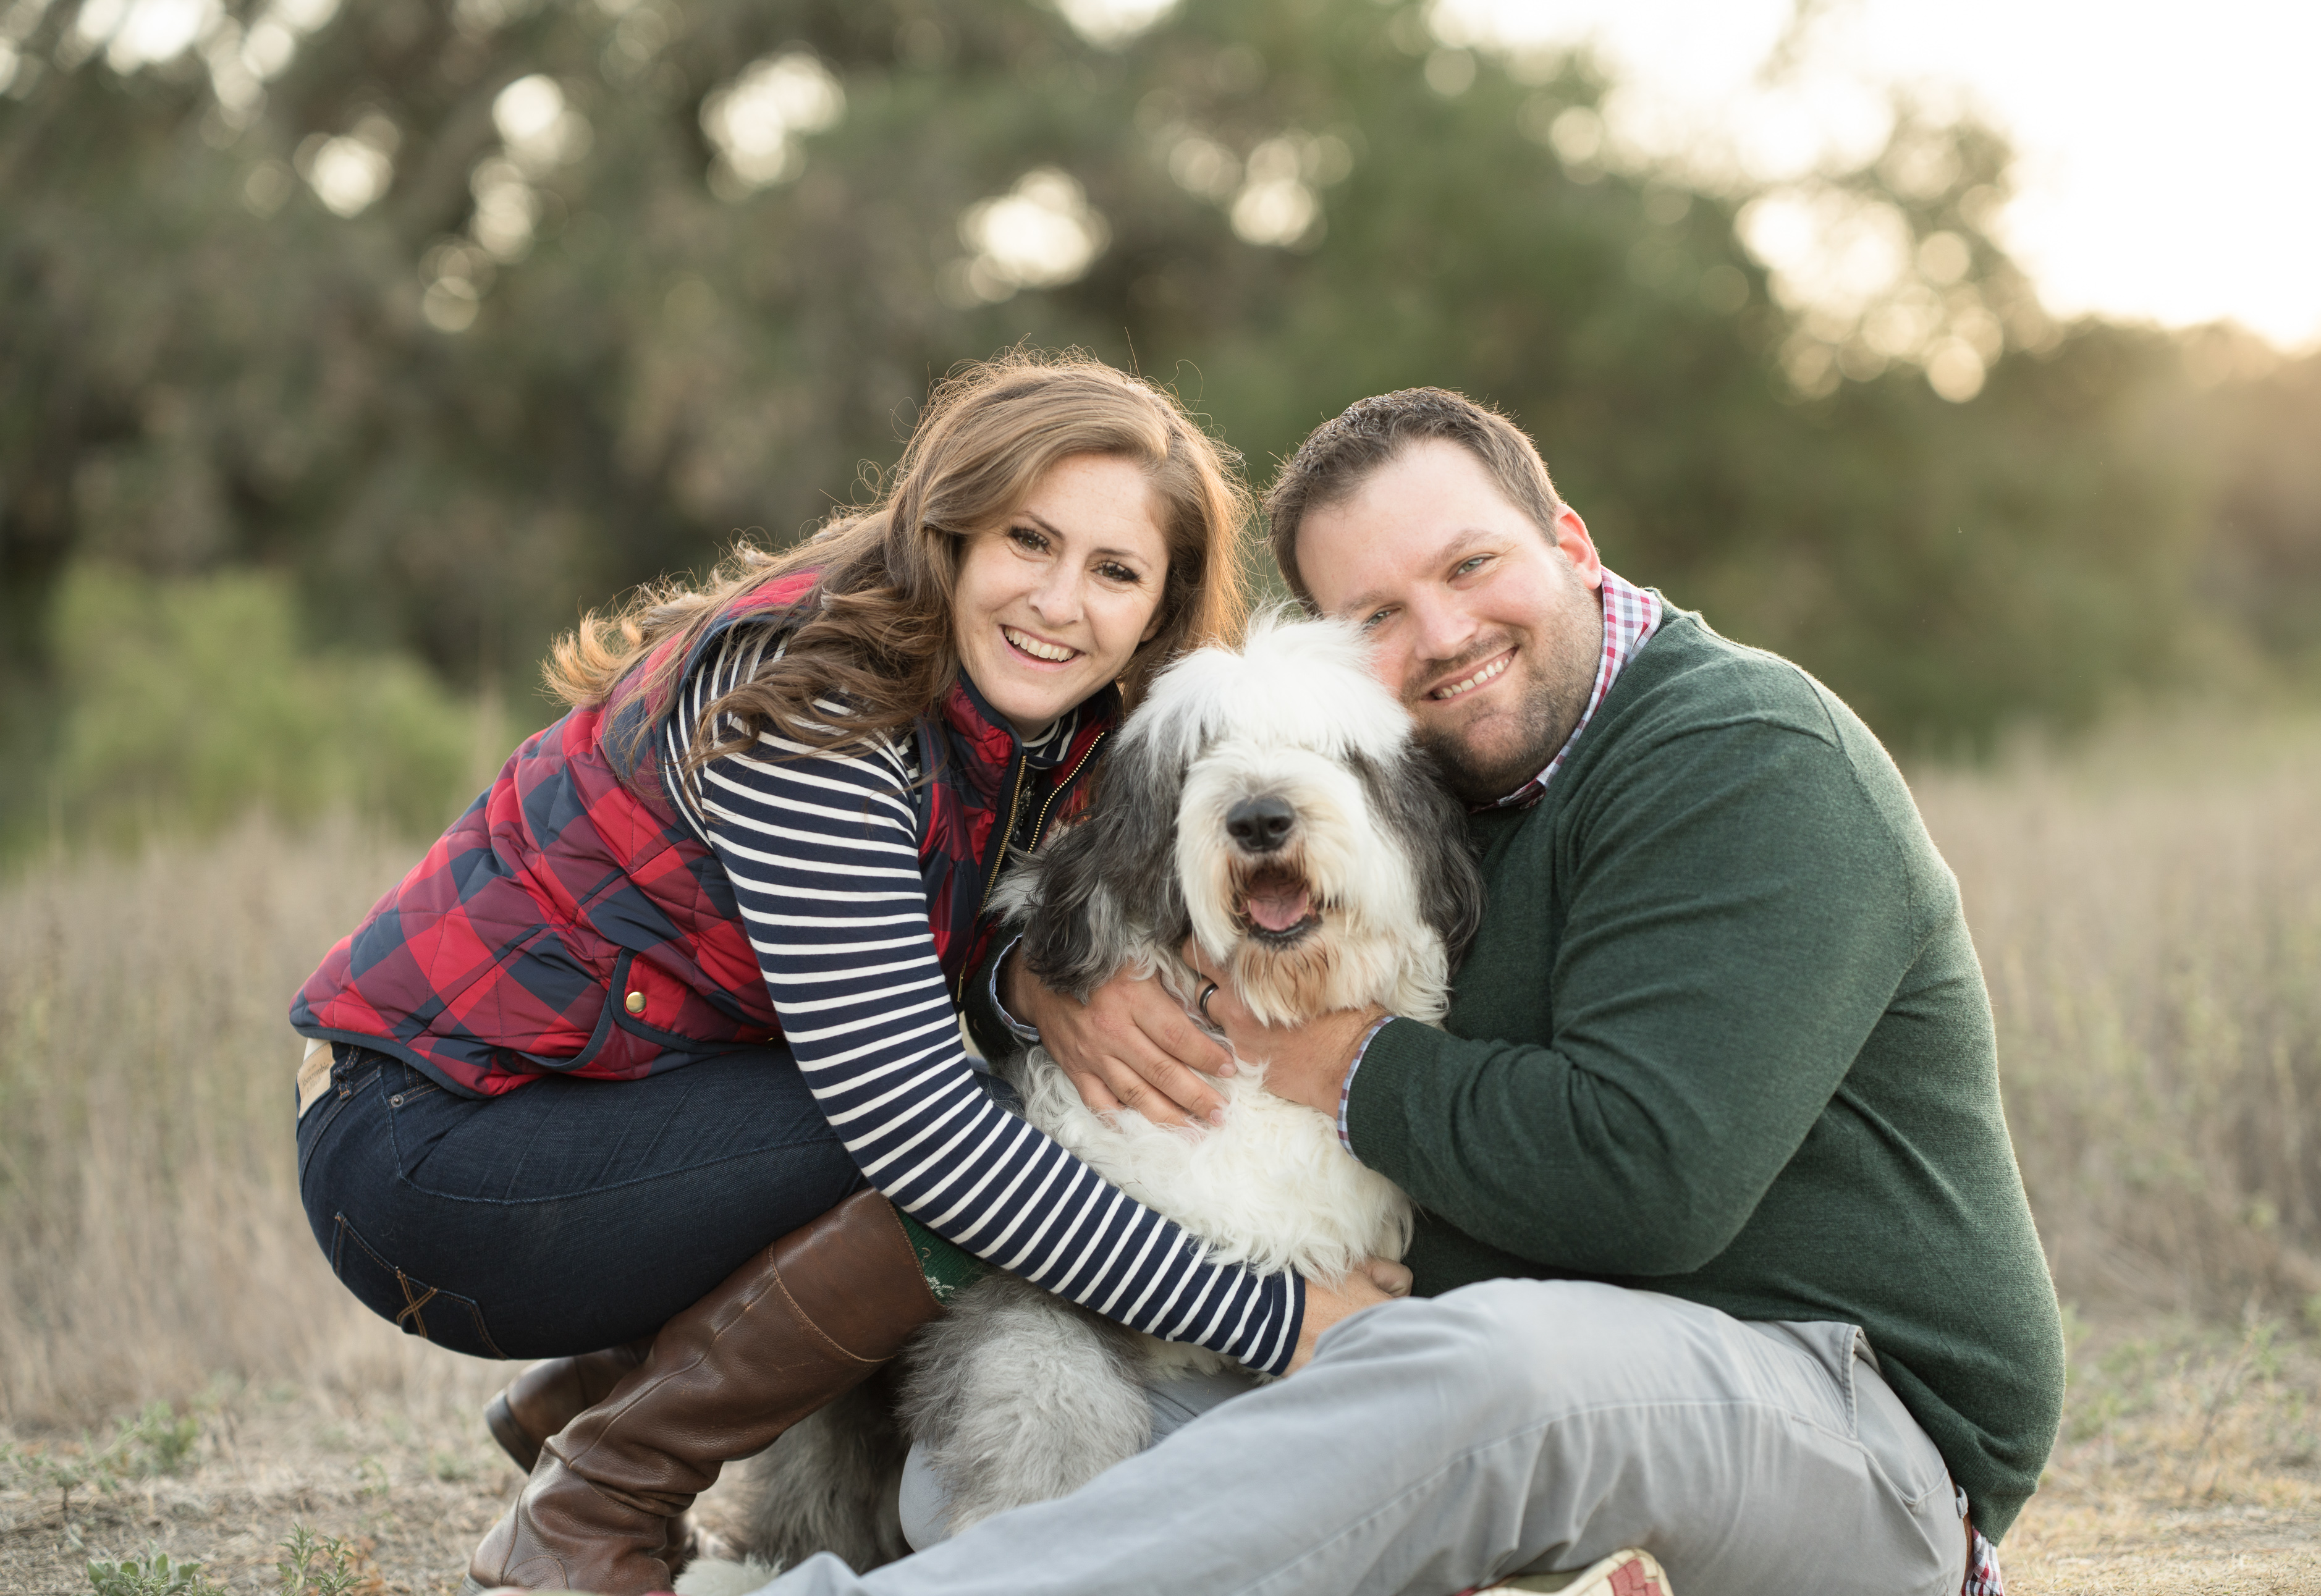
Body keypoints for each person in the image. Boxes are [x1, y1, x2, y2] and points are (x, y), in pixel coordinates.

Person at [780, 387, 2063, 1596]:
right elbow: (1149, 883)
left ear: (1567, 539)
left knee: (1488, 1370)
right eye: (1379, 614)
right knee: (993, 1460)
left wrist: (1343, 1062)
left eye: (1469, 566)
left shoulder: (1742, 757)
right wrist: (1034, 983)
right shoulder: (1434, 774)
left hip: (1843, 1416)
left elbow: (1646, 1182)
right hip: (1491, 1367)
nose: (1443, 634)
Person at [284, 353, 1405, 1596]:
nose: (1058, 600)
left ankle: (607, 1385)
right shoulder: (815, 711)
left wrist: (1021, 983)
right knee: (969, 1149)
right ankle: (601, 1487)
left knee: (989, 1109)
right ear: (946, 530)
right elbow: (915, 1122)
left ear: (1161, 606)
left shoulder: (1054, 723)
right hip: (426, 1156)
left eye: (1114, 570)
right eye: (1025, 540)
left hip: (613, 1109)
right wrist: (1275, 1317)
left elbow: (926, 952)